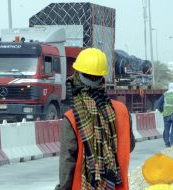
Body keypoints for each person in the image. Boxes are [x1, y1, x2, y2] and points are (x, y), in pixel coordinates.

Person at [55, 48, 135, 190]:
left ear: (77, 77)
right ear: (102, 79)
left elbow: (68, 161)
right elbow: (130, 146)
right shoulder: (122, 111)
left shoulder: (73, 117)